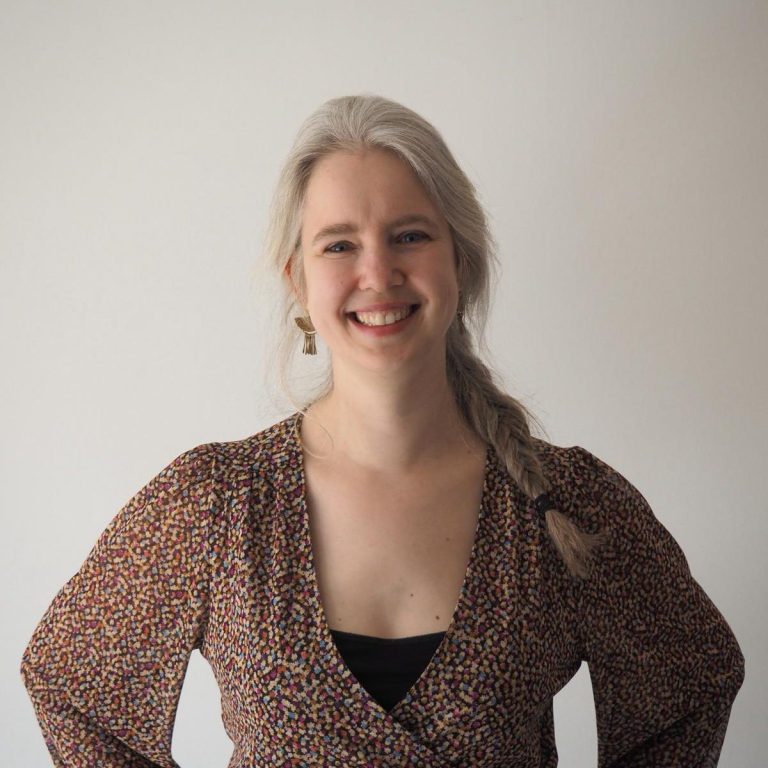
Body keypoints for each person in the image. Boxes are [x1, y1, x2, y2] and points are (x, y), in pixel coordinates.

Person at [20, 93, 745, 767]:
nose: (378, 272)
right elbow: (73, 687)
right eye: (339, 245)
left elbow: (691, 690)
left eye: (409, 236)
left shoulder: (567, 505)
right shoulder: (216, 503)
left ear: (460, 260)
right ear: (298, 281)